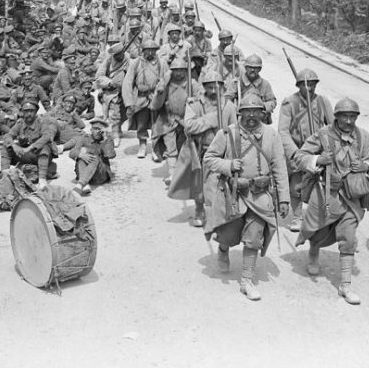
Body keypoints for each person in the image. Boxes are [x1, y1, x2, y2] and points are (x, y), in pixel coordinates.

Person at [203, 95, 289, 301]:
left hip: (260, 195)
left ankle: (246, 280)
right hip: (234, 194)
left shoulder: (272, 136)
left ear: (262, 113)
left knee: (253, 238)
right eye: (247, 111)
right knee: (229, 235)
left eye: (256, 111)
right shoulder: (227, 133)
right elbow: (209, 158)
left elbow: (279, 167)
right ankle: (223, 249)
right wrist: (228, 165)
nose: (251, 115)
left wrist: (284, 198)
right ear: (240, 113)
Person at [295, 98, 369, 305]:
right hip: (325, 193)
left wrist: (365, 167)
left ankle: (345, 285)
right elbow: (299, 155)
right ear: (337, 117)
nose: (349, 121)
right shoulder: (322, 135)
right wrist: (317, 160)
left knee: (349, 238)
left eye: (353, 117)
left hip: (352, 196)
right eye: (345, 116)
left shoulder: (363, 135)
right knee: (316, 229)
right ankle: (313, 251)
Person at [171, 70, 237, 227]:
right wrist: (211, 119)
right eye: (209, 87)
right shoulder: (194, 104)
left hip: (222, 152)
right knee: (199, 184)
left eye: (217, 87)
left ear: (222, 87)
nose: (213, 91)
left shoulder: (229, 106)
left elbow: (235, 129)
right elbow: (189, 126)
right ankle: (199, 210)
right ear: (204, 87)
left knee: (221, 184)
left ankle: (219, 213)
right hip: (201, 150)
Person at [278, 69, 333, 232]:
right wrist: (294, 153)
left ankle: (321, 214)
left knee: (322, 182)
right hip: (296, 146)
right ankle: (296, 216)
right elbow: (283, 131)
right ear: (299, 85)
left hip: (317, 148)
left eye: (312, 84)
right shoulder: (289, 103)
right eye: (305, 85)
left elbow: (332, 126)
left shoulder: (323, 102)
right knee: (296, 185)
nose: (309, 88)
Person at [0, 100, 58, 191]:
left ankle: (42, 180)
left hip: (38, 155)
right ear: (22, 112)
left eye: (31, 111)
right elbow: (8, 135)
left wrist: (29, 148)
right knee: (5, 147)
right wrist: (14, 146)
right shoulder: (20, 123)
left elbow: (46, 136)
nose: (29, 114)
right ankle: (5, 177)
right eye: (26, 111)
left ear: (36, 112)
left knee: (45, 148)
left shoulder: (41, 122)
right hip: (25, 154)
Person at [122, 39, 165, 159]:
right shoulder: (136, 63)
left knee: (157, 123)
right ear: (143, 51)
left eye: (152, 50)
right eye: (147, 50)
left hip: (156, 97)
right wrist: (129, 101)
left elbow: (166, 78)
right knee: (141, 123)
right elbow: (128, 82)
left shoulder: (161, 62)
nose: (150, 53)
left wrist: (161, 88)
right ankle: (142, 144)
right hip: (141, 98)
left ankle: (156, 148)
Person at [67, 117, 116, 195]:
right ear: (91, 130)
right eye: (95, 129)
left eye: (100, 129)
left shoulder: (107, 140)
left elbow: (111, 155)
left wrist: (105, 140)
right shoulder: (84, 138)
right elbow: (72, 153)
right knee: (82, 157)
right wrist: (80, 154)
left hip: (100, 175)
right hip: (85, 173)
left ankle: (80, 184)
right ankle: (85, 184)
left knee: (94, 158)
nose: (97, 132)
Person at [96, 42, 128, 147]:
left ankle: (118, 128)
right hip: (112, 92)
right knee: (115, 114)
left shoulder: (129, 60)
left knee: (126, 113)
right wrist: (109, 82)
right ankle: (115, 136)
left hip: (126, 90)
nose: (119, 56)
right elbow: (99, 76)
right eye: (116, 55)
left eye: (120, 54)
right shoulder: (108, 61)